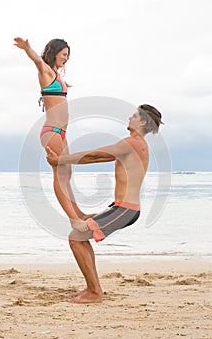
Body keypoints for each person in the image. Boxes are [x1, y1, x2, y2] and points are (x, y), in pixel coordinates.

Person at [46, 104, 164, 304]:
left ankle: (94, 292)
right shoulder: (136, 144)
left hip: (125, 209)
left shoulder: (134, 142)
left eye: (134, 115)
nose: (130, 117)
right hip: (121, 208)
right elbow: (98, 157)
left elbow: (95, 155)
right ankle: (92, 288)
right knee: (81, 234)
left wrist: (60, 160)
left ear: (143, 122)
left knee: (76, 238)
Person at [14, 37, 88, 221]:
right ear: (54, 53)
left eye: (68, 55)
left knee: (67, 172)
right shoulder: (45, 71)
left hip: (61, 133)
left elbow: (57, 85)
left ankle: (79, 214)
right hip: (51, 131)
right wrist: (27, 48)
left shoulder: (56, 76)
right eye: (64, 54)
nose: (66, 58)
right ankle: (74, 219)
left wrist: (64, 83)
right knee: (60, 172)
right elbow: (38, 61)